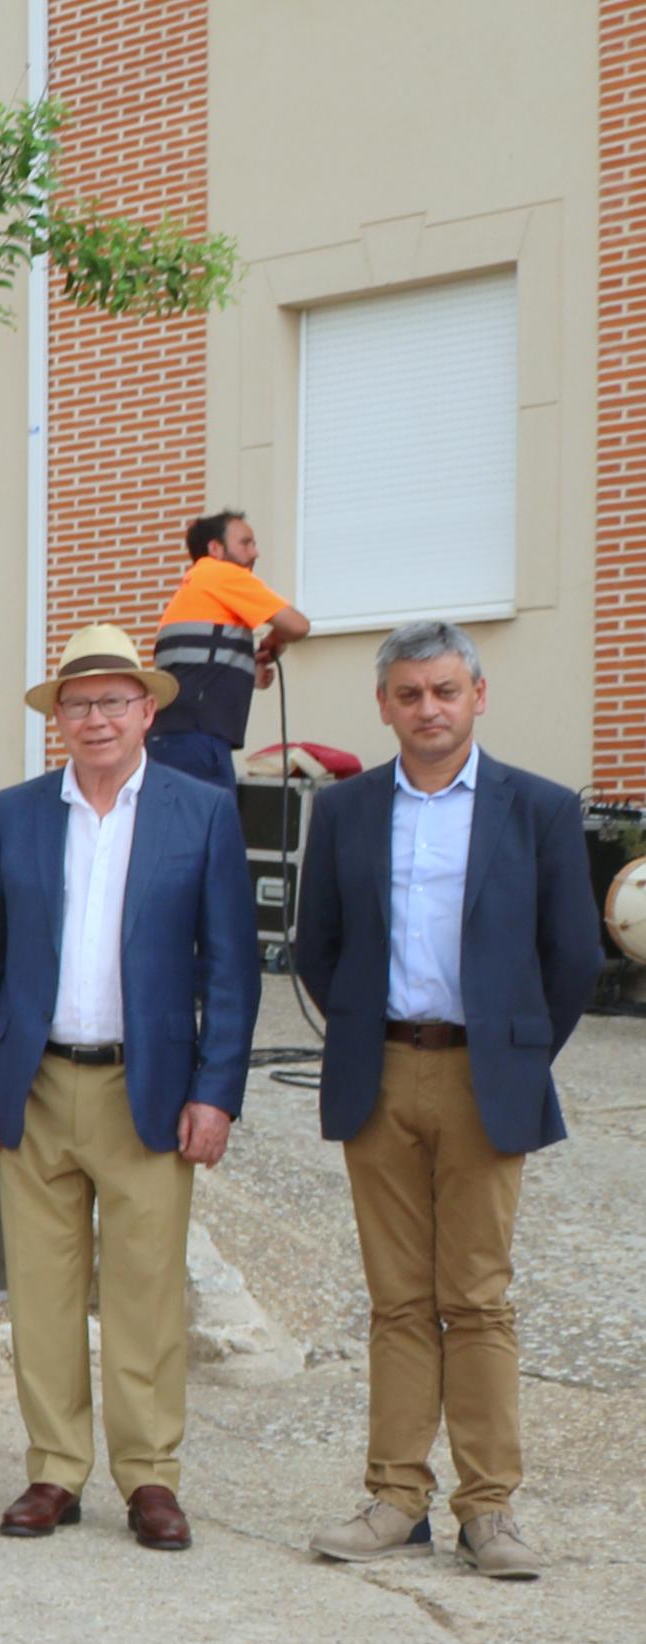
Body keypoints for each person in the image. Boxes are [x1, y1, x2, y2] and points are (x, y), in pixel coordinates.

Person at [291, 622, 604, 1580]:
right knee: (397, 1298)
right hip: (379, 1069)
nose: (428, 709)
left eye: (444, 690)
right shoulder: (343, 810)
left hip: (483, 1076)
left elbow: (571, 955)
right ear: (383, 705)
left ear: (477, 695)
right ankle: (394, 1499)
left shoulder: (539, 808)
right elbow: (317, 943)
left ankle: (488, 1510)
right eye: (408, 693)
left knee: (474, 1297)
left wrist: (510, 1053)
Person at [0, 623, 256, 1552]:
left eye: (113, 702)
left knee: (145, 1289)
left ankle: (149, 1476)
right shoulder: (13, 812)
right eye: (78, 704)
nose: (95, 719)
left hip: (151, 1086)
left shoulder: (199, 811)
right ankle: (52, 1468)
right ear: (60, 718)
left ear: (146, 710)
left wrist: (217, 1092)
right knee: (40, 1292)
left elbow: (232, 972)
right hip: (35, 1083)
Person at [142, 510, 308, 788]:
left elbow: (198, 665)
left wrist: (247, 667)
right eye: (246, 543)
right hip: (199, 741)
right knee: (214, 827)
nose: (255, 553)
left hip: (168, 739)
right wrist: (277, 640)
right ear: (215, 549)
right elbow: (298, 626)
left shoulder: (194, 587)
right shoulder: (221, 573)